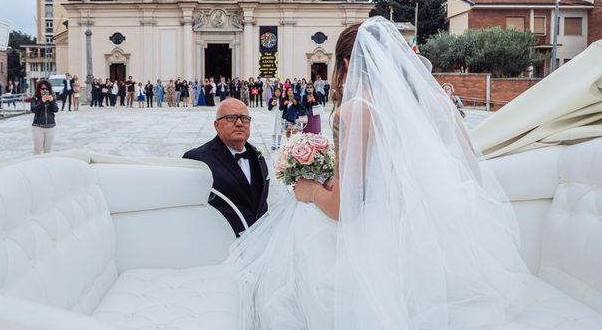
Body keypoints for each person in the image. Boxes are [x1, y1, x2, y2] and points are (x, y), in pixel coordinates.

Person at [226, 17, 532, 329]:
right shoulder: (438, 102)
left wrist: (309, 190)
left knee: (286, 239)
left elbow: (344, 210)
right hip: (432, 247)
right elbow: (471, 170)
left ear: (348, 63)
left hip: (377, 248)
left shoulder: (356, 110)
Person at [183, 98, 269, 237]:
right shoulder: (198, 160)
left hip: (259, 243)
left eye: (245, 118)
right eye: (231, 118)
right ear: (217, 125)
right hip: (221, 245)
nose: (240, 123)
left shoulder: (257, 156)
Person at [30, 79, 59, 154]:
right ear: (39, 89)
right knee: (38, 149)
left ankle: (47, 165)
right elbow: (33, 109)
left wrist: (52, 101)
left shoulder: (52, 97)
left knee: (47, 150)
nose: (45, 90)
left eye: (47, 89)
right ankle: (36, 165)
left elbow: (56, 110)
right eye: (43, 89)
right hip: (38, 127)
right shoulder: (35, 98)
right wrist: (41, 102)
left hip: (50, 127)